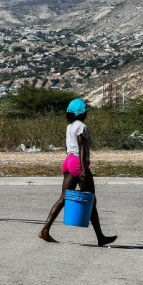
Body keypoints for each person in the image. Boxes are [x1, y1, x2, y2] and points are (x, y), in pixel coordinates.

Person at [38, 98, 117, 246]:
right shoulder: (81, 126)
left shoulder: (70, 126)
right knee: (91, 199)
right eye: (86, 110)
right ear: (82, 112)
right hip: (77, 163)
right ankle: (100, 237)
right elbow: (81, 147)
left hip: (68, 161)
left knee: (63, 197)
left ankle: (45, 230)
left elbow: (70, 146)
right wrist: (83, 169)